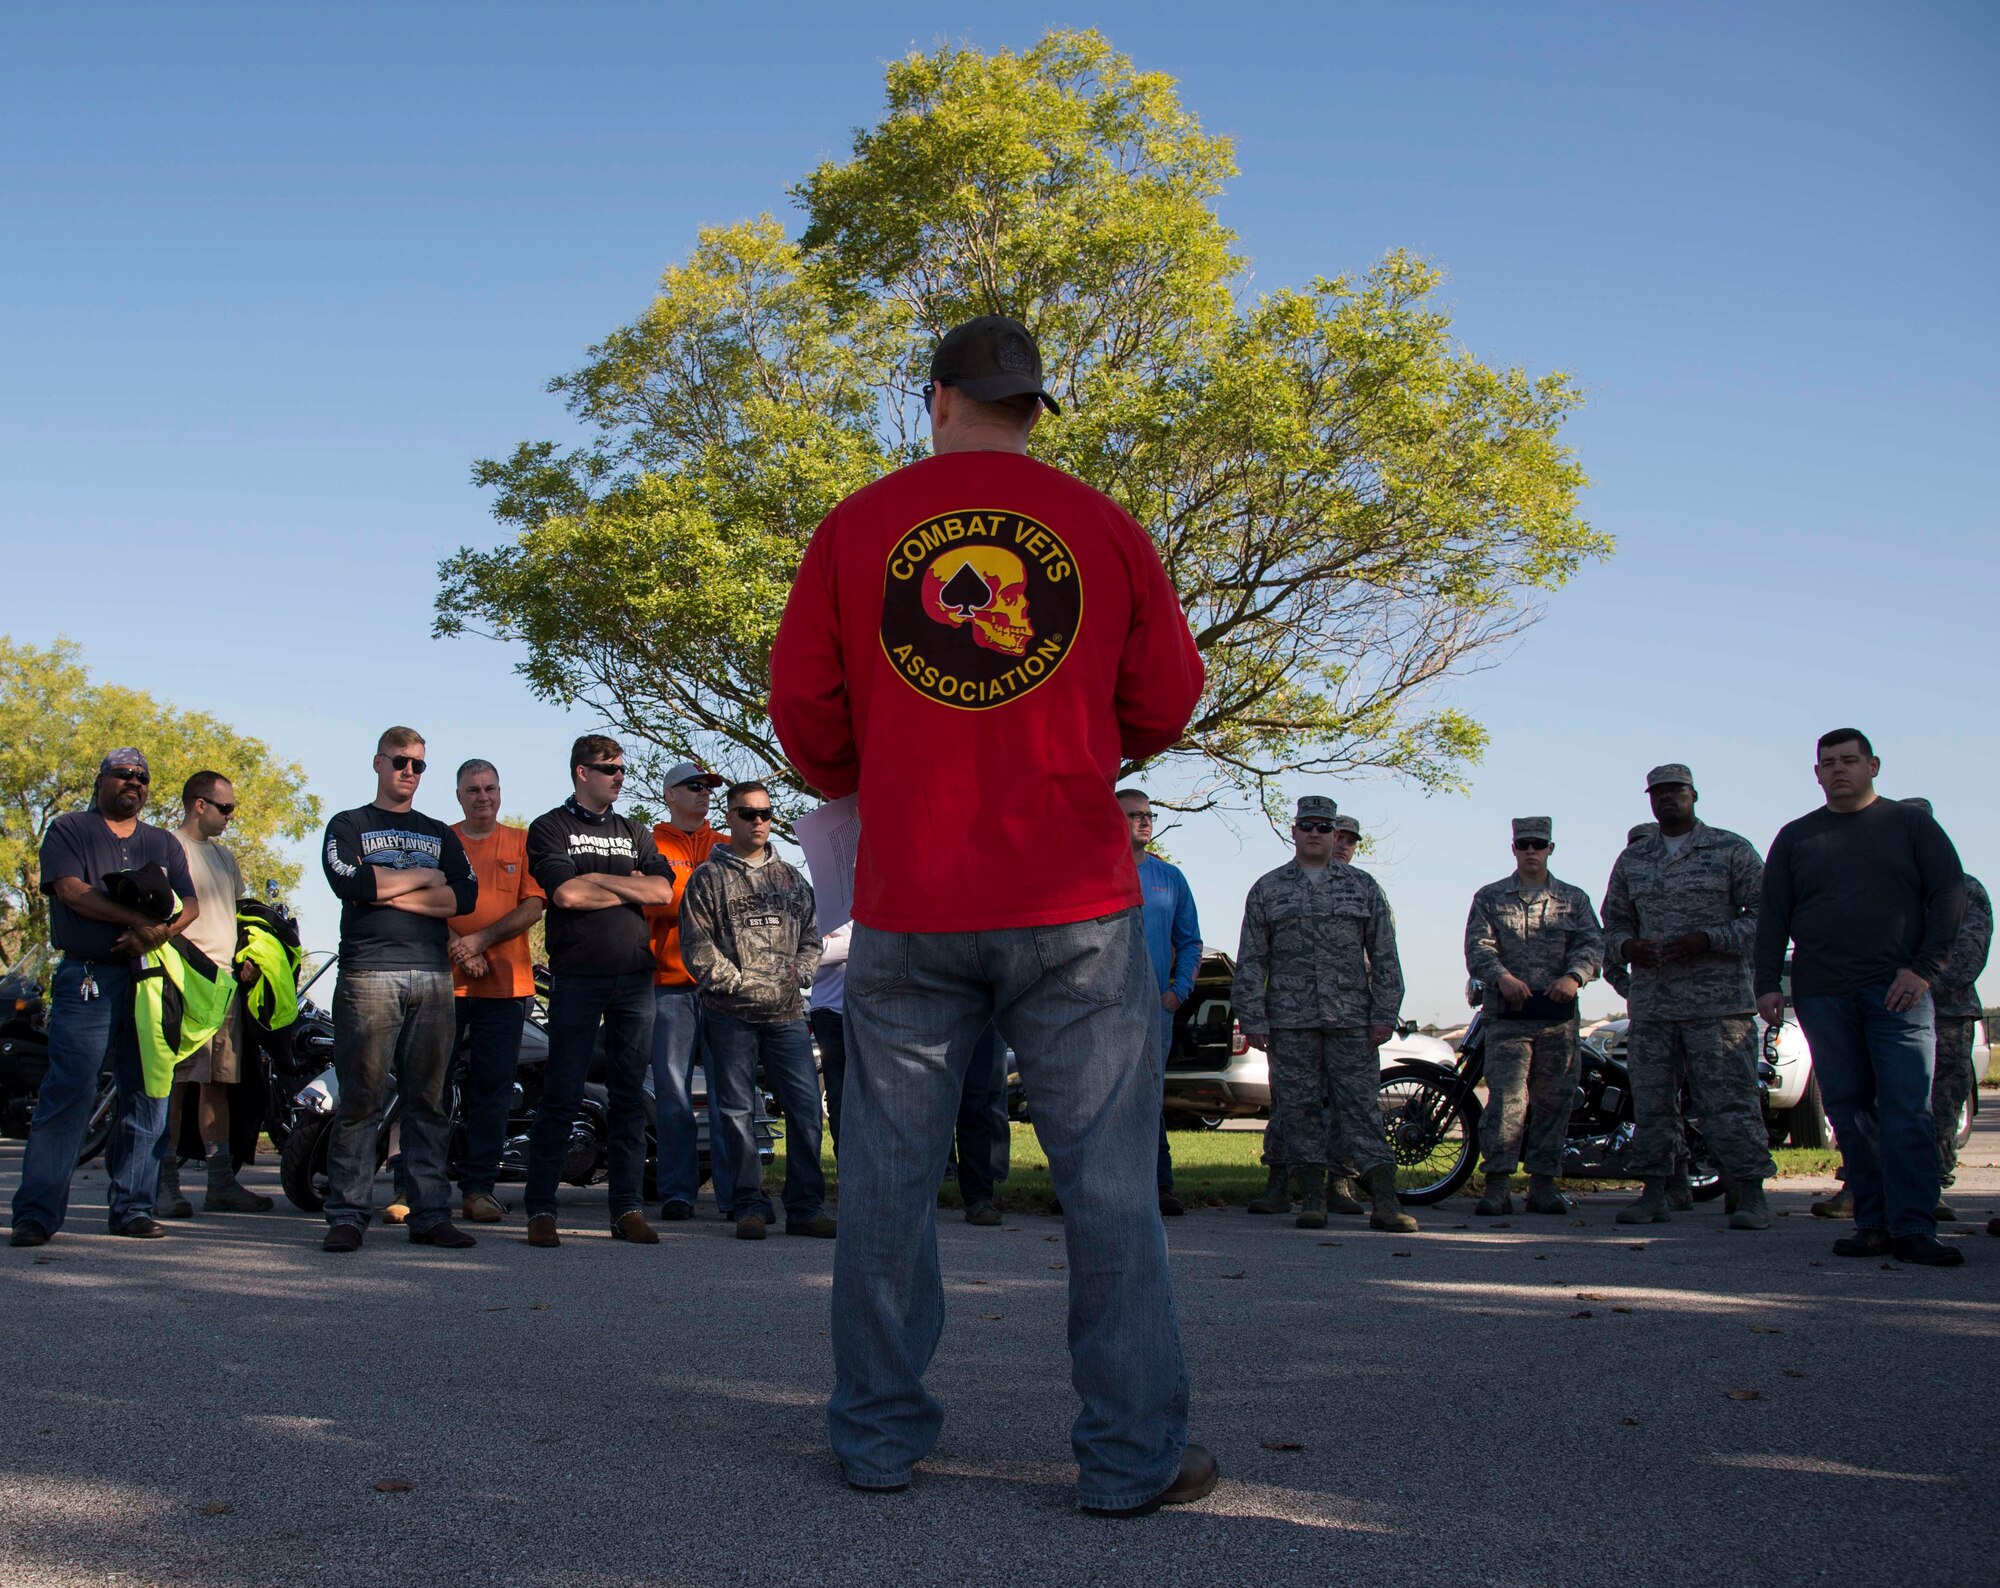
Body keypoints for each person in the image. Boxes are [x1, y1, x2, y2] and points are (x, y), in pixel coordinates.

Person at [769, 314, 1214, 1516]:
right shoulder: (1104, 527)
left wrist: (894, 752)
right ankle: (1128, 1459)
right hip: (1074, 902)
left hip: (913, 903)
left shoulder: (860, 526)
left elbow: (805, 718)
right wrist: (1070, 739)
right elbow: (1168, 697)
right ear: (1031, 407)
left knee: (885, 1185)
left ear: (936, 397)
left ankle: (873, 1439)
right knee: (1109, 1189)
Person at [1754, 730, 1966, 1267]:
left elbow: (1949, 896)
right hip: (1824, 992)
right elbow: (1773, 913)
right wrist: (1767, 983)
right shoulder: (1797, 837)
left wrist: (1924, 970)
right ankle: (1872, 1223)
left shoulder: (1911, 826)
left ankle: (1915, 1226)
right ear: (1817, 773)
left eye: (1850, 760)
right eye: (1828, 763)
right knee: (1850, 1112)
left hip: (1897, 992)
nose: (1839, 770)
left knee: (1905, 1109)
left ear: (1873, 765)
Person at [9, 750, 199, 1246]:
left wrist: (159, 935)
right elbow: (71, 891)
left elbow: (192, 903)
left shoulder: (161, 842)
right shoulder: (70, 829)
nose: (133, 782)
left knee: (147, 1093)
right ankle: (36, 1214)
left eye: (142, 777)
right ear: (101, 781)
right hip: (87, 979)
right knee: (69, 1092)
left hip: (151, 981)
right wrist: (141, 923)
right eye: (123, 775)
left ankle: (134, 1207)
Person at [318, 729, 479, 1252]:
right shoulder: (349, 824)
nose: (409, 772)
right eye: (400, 762)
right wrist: (425, 879)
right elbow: (354, 885)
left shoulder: (439, 832)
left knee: (429, 1101)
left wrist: (392, 889)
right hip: (369, 976)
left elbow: (464, 898)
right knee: (362, 1098)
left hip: (432, 976)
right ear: (378, 763)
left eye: (418, 766)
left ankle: (430, 1214)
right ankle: (346, 1214)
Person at [1600, 764, 1774, 1230]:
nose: (1667, 799)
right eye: (1657, 793)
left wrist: (1709, 938)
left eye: (1676, 791)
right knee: (1652, 1101)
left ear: (1694, 795)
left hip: (1717, 1006)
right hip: (1654, 1004)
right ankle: (1655, 1191)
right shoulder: (1633, 859)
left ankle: (1750, 1192)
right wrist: (1626, 947)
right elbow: (1612, 924)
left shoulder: (1730, 849)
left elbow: (1766, 918)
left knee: (1728, 1101)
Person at [1235, 795, 1414, 1235]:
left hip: (1351, 1020)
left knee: (1362, 1110)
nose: (1314, 833)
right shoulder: (1268, 889)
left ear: (1335, 835)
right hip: (1290, 1021)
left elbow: (1386, 956)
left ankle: (1385, 1202)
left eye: (1323, 826)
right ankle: (1313, 1199)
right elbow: (1252, 960)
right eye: (1306, 825)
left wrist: (1385, 1013)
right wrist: (1253, 1018)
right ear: (1293, 832)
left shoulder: (1363, 887)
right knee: (1297, 1111)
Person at [523, 736, 676, 1249]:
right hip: (578, 978)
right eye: (608, 768)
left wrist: (595, 879)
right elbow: (564, 894)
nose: (619, 776)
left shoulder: (634, 830)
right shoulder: (549, 827)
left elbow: (662, 891)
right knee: (563, 1092)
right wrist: (622, 882)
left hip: (635, 977)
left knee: (631, 1097)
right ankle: (541, 1208)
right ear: (581, 773)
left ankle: (627, 1209)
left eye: (621, 768)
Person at [679, 781, 830, 1241]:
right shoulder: (707, 878)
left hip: (786, 1016)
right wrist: (741, 985)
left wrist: (799, 974)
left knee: (805, 1110)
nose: (758, 821)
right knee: (737, 1113)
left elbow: (813, 934)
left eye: (764, 813)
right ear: (730, 817)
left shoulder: (790, 878)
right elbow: (696, 949)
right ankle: (749, 1205)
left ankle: (805, 1207)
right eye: (747, 813)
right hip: (730, 1015)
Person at [1463, 817, 1603, 1218]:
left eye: (1538, 844)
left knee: (1553, 1101)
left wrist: (1575, 977)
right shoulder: (1490, 897)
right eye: (1523, 844)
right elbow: (1478, 946)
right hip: (1508, 1018)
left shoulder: (1573, 900)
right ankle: (1498, 1185)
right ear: (1513, 849)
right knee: (1507, 1102)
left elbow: (1592, 944)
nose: (1530, 851)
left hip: (1557, 1019)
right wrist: (1501, 977)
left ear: (1550, 849)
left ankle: (1543, 1185)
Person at [157, 771, 267, 1218]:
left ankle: (221, 1181)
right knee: (175, 1085)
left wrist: (248, 954)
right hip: (182, 979)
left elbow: (234, 913)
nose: (230, 816)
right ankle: (164, 1182)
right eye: (225, 807)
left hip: (224, 984)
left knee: (217, 1082)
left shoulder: (224, 857)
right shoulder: (166, 848)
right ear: (198, 805)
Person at [446, 759, 546, 1225]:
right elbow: (425, 902)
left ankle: (479, 1190)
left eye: (489, 788)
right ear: (459, 794)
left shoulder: (521, 843)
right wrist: (460, 949)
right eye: (472, 789)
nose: (482, 796)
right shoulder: (442, 840)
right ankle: (411, 1188)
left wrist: (480, 942)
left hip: (506, 988)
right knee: (428, 1086)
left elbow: (533, 907)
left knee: (492, 1090)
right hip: (443, 985)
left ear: (500, 792)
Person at [643, 760, 730, 1221]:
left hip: (723, 988)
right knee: (673, 1097)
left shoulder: (726, 845)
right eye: (693, 786)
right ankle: (678, 1193)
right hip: (669, 987)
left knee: (728, 1095)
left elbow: (737, 907)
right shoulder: (649, 843)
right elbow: (651, 900)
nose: (704, 792)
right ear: (669, 795)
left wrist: (678, 898)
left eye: (709, 786)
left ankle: (736, 1196)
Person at [1897, 800, 1990, 1221]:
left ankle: (1930, 1187)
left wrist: (1915, 979)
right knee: (1878, 1103)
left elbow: (1968, 955)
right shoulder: (1881, 889)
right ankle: (1863, 1186)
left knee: (1938, 1106)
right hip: (1886, 1012)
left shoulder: (1964, 888)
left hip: (1946, 1016)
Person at [1120, 788, 1201, 1218]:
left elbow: (1190, 942)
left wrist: (1176, 994)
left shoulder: (1169, 879)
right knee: (1098, 1098)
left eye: (1149, 814)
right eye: (1133, 815)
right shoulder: (1094, 874)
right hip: (1100, 1009)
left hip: (1155, 1010)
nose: (1144, 821)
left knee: (1148, 1096)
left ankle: (1159, 1185)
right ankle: (1092, 1187)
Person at [810, 919, 853, 1154]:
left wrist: (838, 945)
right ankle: (845, 1169)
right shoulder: (822, 901)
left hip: (870, 1010)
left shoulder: (875, 896)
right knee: (838, 1096)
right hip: (829, 1011)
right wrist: (863, 941)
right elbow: (812, 951)